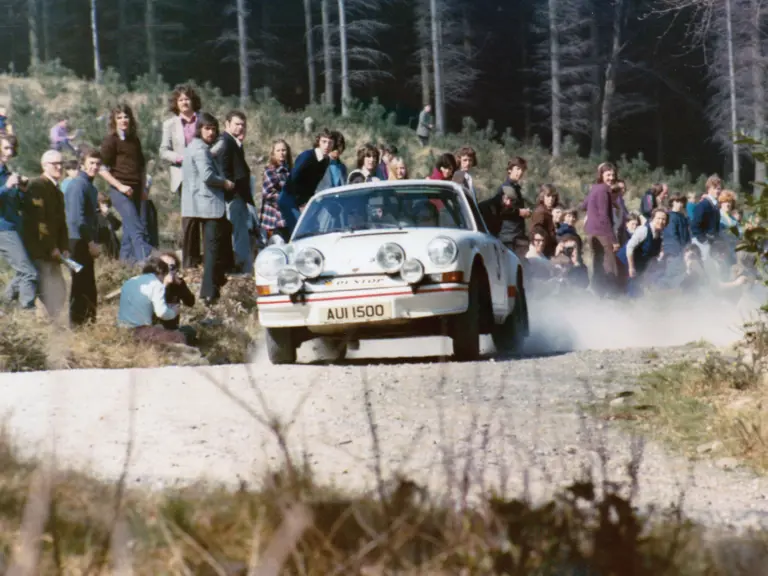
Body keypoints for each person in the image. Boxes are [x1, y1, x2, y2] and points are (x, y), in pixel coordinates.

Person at [181, 112, 235, 306]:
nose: (211, 132)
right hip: (209, 205)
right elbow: (208, 176)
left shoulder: (193, 147)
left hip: (199, 204)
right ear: (199, 129)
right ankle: (209, 292)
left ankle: (214, 284)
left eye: (213, 129)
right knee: (212, 249)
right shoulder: (201, 149)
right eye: (207, 128)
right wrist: (226, 183)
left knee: (215, 244)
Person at [99, 104, 153, 263]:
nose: (124, 120)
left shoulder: (134, 140)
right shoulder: (111, 141)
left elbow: (141, 167)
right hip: (120, 191)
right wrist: (120, 186)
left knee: (130, 231)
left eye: (126, 117)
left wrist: (143, 189)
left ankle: (125, 266)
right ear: (114, 121)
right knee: (137, 228)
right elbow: (102, 169)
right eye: (119, 117)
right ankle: (146, 265)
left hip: (137, 189)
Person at [21, 150, 70, 320]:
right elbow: (39, 222)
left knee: (59, 292)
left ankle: (51, 327)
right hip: (40, 250)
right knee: (48, 290)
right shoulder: (37, 186)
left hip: (54, 251)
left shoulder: (57, 191)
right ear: (44, 166)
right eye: (54, 164)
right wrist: (52, 247)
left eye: (61, 163)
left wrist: (64, 247)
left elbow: (61, 223)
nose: (59, 167)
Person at [160, 84, 203, 269]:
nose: (184, 102)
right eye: (181, 99)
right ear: (176, 104)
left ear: (193, 101)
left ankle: (205, 257)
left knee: (206, 216)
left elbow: (214, 142)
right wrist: (179, 158)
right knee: (189, 218)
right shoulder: (169, 124)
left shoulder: (203, 120)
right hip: (182, 175)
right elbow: (163, 150)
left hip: (203, 175)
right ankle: (189, 261)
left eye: (187, 98)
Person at [63, 149, 102, 326]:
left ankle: (88, 325)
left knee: (87, 285)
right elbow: (76, 219)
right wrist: (90, 242)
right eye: (91, 162)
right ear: (82, 164)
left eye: (97, 163)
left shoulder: (90, 187)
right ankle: (77, 327)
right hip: (76, 241)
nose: (94, 166)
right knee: (80, 285)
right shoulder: (78, 185)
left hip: (83, 240)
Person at [0, 135, 37, 310]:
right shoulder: (5, 177)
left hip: (14, 226)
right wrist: (7, 186)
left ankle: (5, 304)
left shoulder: (7, 172)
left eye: (12, 148)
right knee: (28, 272)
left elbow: (15, 203)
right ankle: (27, 313)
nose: (10, 152)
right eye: (6, 148)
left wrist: (21, 190)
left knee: (25, 270)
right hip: (3, 229)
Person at [215, 110, 253, 275]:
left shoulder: (234, 142)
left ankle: (242, 267)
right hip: (233, 196)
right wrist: (229, 188)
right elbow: (224, 169)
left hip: (238, 195)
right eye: (237, 124)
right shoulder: (225, 142)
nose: (240, 128)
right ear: (227, 124)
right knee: (239, 234)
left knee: (241, 232)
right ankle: (242, 269)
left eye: (243, 125)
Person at [117, 256, 187, 345]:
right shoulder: (157, 284)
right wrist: (174, 312)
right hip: (140, 331)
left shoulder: (130, 281)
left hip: (122, 330)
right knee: (180, 336)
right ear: (162, 273)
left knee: (159, 327)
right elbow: (162, 313)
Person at [277, 129, 333, 237]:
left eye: (330, 142)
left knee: (313, 227)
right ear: (318, 142)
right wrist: (301, 202)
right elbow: (293, 179)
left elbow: (313, 184)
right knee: (300, 230)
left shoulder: (326, 161)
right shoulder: (307, 156)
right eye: (324, 141)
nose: (327, 145)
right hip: (289, 197)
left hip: (303, 199)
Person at [478, 157, 530, 250]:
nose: (520, 172)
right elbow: (503, 211)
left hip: (514, 234)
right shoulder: (507, 188)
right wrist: (519, 212)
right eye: (517, 169)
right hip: (509, 235)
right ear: (510, 170)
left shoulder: (515, 187)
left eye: (522, 169)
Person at [585, 162, 620, 298]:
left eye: (613, 175)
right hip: (602, 233)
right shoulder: (604, 190)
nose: (611, 178)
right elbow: (604, 216)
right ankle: (612, 297)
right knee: (610, 267)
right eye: (608, 174)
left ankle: (597, 295)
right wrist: (613, 239)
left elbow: (584, 205)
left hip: (592, 232)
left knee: (598, 264)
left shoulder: (595, 188)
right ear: (601, 175)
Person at [617, 208, 669, 298]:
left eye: (663, 219)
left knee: (638, 290)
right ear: (652, 219)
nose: (661, 221)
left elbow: (653, 256)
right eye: (658, 218)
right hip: (625, 262)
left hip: (639, 264)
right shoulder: (643, 230)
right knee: (629, 290)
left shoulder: (659, 235)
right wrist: (631, 267)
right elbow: (629, 247)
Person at [156, 251, 196, 342]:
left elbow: (190, 302)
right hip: (156, 327)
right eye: (164, 266)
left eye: (171, 267)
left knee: (190, 331)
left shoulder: (178, 284)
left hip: (172, 328)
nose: (168, 270)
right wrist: (164, 285)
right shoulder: (154, 283)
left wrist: (181, 285)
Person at [260, 139, 292, 244]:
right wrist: (286, 200)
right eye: (278, 150)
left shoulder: (290, 171)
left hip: (288, 218)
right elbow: (268, 194)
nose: (281, 153)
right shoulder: (270, 171)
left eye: (284, 150)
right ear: (273, 153)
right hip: (274, 221)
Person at [690, 174, 723, 261]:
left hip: (711, 243)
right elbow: (694, 226)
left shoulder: (715, 206)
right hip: (702, 244)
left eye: (719, 188)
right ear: (709, 189)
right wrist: (704, 241)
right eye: (716, 188)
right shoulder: (703, 205)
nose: (718, 191)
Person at [530, 184, 559, 258]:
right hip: (542, 252)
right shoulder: (541, 212)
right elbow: (536, 234)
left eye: (553, 196)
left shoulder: (549, 211)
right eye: (548, 196)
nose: (551, 199)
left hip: (548, 251)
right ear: (542, 197)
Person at [96, 191, 121, 260]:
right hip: (101, 245)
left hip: (112, 245)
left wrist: (108, 214)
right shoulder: (95, 215)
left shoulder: (108, 214)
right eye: (103, 202)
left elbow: (117, 225)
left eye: (106, 203)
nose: (105, 205)